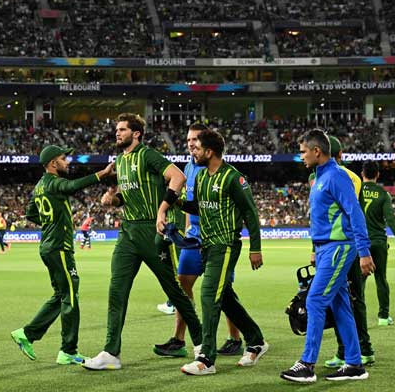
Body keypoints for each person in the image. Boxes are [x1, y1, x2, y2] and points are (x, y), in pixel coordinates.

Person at [82, 113, 202, 371]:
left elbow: (178, 177)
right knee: (117, 291)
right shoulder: (120, 161)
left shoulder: (148, 155)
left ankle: (203, 344)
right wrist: (112, 201)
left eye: (122, 129)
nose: (117, 133)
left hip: (152, 231)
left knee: (174, 291)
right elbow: (125, 197)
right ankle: (111, 352)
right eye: (117, 129)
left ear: (136, 134)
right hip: (128, 232)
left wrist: (162, 209)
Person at [280, 129, 374, 383]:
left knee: (315, 301)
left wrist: (364, 252)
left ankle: (307, 364)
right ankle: (354, 364)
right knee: (339, 304)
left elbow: (355, 213)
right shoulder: (321, 177)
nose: (300, 156)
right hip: (325, 249)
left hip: (338, 248)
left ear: (316, 151)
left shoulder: (336, 176)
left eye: (303, 151)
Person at [10, 145, 115, 365]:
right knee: (70, 296)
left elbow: (31, 213)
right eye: (63, 159)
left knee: (61, 295)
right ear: (52, 164)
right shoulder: (55, 183)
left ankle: (27, 334)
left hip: (49, 246)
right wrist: (101, 175)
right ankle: (68, 350)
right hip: (59, 248)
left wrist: (50, 223)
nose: (67, 162)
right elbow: (73, 186)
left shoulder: (39, 186)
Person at [176, 129, 268, 376]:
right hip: (206, 246)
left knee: (208, 295)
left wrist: (255, 248)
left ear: (210, 151)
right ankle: (256, 341)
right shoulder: (204, 177)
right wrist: (176, 201)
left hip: (225, 245)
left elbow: (250, 213)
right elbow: (197, 206)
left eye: (197, 148)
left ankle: (206, 358)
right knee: (225, 296)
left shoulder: (233, 178)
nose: (192, 151)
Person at [154, 124, 244, 358]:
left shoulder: (217, 171)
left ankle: (235, 338)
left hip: (217, 239)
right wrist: (185, 231)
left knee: (223, 291)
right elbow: (188, 205)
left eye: (195, 139)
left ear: (206, 144)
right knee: (182, 288)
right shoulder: (187, 168)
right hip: (193, 239)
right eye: (188, 139)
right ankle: (178, 339)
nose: (191, 143)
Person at [320, 136, 375, 368]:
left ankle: (353, 350)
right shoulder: (347, 176)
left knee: (344, 298)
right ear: (341, 154)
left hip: (342, 245)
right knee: (350, 298)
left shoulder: (333, 177)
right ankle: (357, 349)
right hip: (345, 244)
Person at [360, 161, 395, 327]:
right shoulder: (383, 194)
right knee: (381, 279)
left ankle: (358, 316)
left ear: (362, 174)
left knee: (359, 280)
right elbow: (390, 219)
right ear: (378, 174)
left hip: (360, 243)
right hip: (378, 242)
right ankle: (383, 317)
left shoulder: (355, 191)